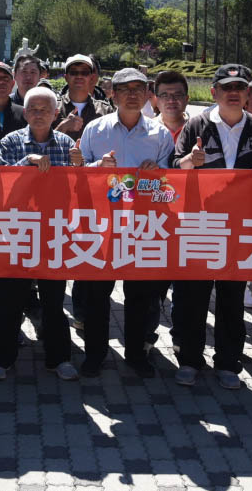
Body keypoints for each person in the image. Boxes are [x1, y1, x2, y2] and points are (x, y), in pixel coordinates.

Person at [170, 64, 252, 390]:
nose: (233, 92)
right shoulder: (196, 125)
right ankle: (189, 359)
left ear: (247, 94)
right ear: (213, 92)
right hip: (199, 223)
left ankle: (229, 362)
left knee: (231, 299)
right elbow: (174, 166)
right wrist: (190, 162)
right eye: (226, 87)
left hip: (240, 226)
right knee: (193, 297)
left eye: (239, 87)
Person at [78, 68, 175, 378]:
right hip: (102, 225)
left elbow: (172, 186)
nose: (132, 94)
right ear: (113, 94)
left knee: (141, 296)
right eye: (125, 88)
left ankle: (136, 354)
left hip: (143, 225)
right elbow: (77, 177)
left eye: (139, 88)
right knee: (96, 295)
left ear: (148, 94)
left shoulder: (160, 134)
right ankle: (95, 353)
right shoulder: (95, 129)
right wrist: (96, 166)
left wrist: (157, 174)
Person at [0, 86, 84, 380]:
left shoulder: (68, 145)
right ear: (25, 112)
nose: (39, 114)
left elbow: (82, 190)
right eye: (33, 109)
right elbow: (0, 185)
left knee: (54, 302)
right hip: (18, 231)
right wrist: (27, 164)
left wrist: (82, 167)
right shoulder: (10, 142)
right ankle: (2, 359)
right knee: (10, 299)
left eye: (46, 109)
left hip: (55, 232)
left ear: (56, 113)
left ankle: (59, 358)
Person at [54, 54, 113, 142]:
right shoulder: (53, 107)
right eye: (74, 72)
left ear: (91, 77)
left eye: (84, 72)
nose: (79, 76)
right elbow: (41, 144)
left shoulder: (105, 110)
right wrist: (62, 127)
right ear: (66, 77)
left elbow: (114, 143)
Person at [150, 70, 189, 143]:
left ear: (186, 99)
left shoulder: (199, 129)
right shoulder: (146, 131)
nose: (171, 100)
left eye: (177, 95)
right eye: (165, 95)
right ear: (157, 101)